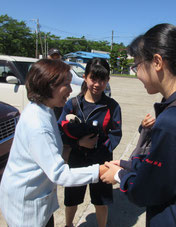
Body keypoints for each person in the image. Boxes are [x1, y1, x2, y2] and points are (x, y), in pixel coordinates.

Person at [100, 23, 176, 227]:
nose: (137, 74)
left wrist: (119, 175)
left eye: (137, 65)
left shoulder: (174, 120)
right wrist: (126, 164)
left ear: (157, 62)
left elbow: (147, 191)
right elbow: (169, 167)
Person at [0, 59, 107, 227]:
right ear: (49, 85)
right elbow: (59, 174)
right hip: (25, 206)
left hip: (38, 196)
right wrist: (99, 171)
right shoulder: (38, 124)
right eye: (67, 84)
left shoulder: (45, 109)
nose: (71, 90)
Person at [58, 58, 122, 227]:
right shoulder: (72, 104)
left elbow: (115, 134)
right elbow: (60, 130)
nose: (97, 84)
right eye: (93, 78)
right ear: (85, 77)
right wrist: (78, 143)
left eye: (102, 79)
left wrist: (99, 149)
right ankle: (69, 224)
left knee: (100, 200)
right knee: (72, 197)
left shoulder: (112, 106)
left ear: (108, 80)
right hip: (76, 158)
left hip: (101, 161)